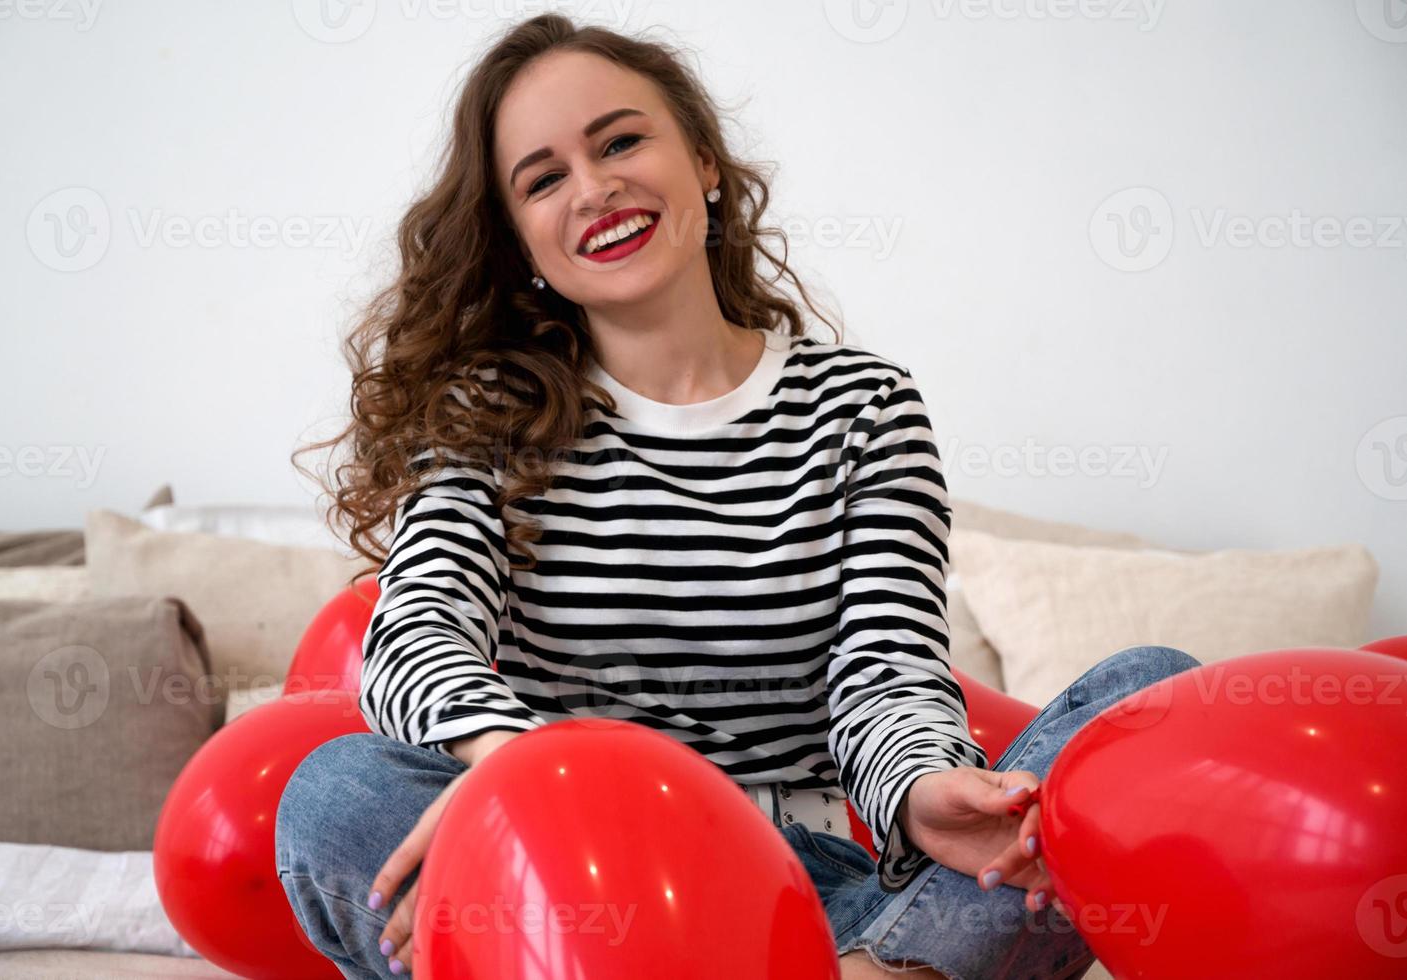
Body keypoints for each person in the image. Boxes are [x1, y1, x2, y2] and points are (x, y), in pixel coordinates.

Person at [278, 13, 1201, 978]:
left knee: (1150, 700)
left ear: (706, 162)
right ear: (520, 242)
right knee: (337, 793)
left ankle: (874, 963)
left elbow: (886, 669)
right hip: (566, 868)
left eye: (621, 141)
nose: (594, 188)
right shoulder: (485, 413)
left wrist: (925, 786)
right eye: (543, 179)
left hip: (811, 890)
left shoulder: (863, 407)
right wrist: (525, 782)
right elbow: (417, 633)